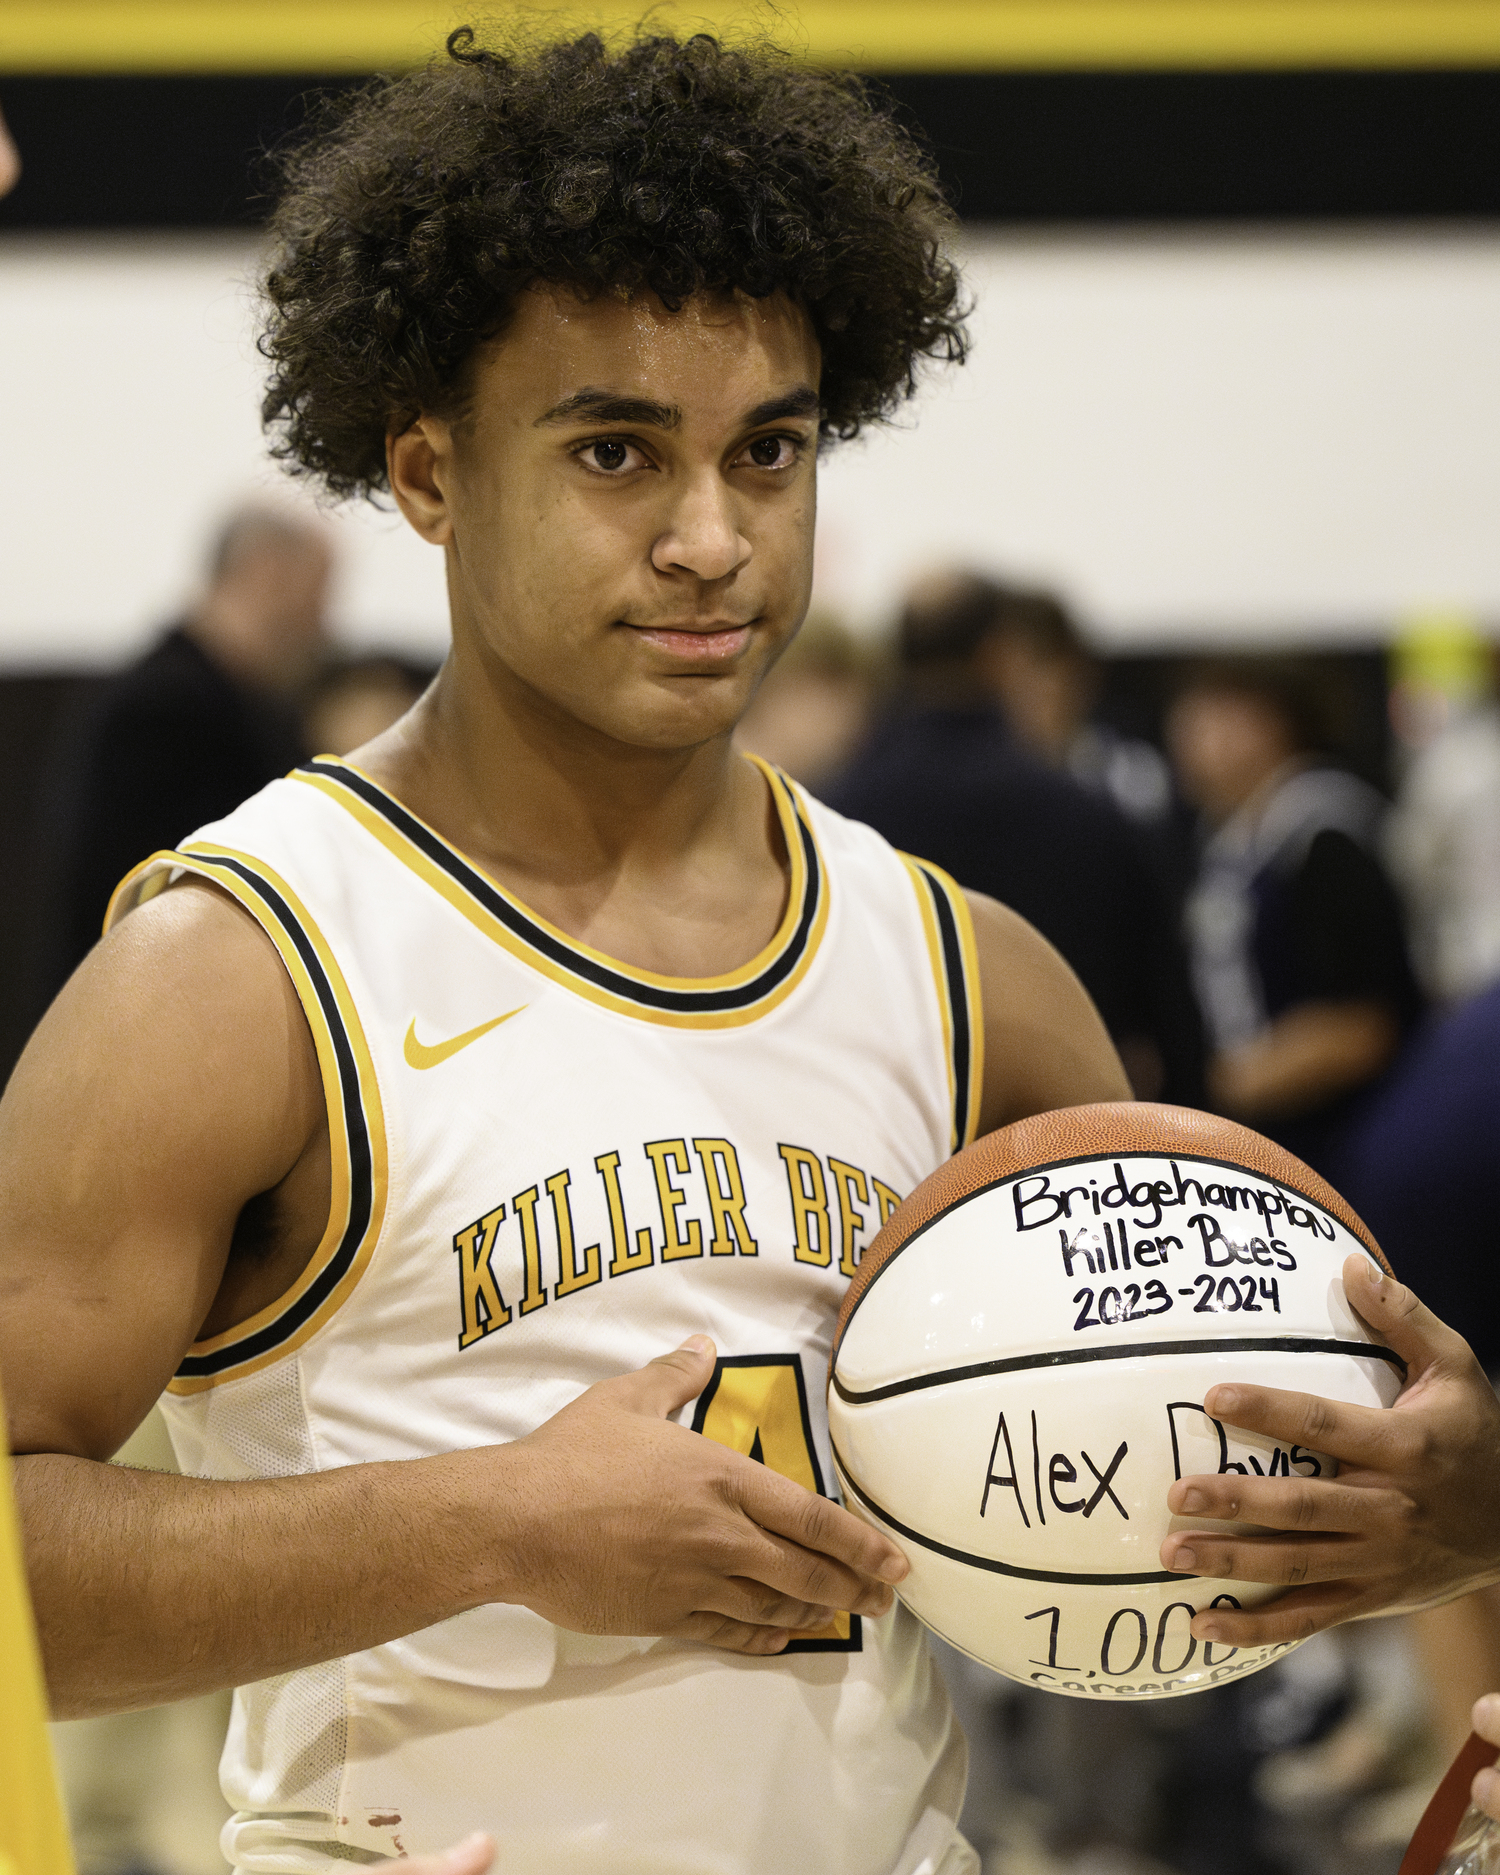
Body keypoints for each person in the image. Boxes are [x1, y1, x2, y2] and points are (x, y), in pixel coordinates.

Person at [0, 30, 1133, 1874]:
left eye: (769, 451)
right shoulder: (238, 967)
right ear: (429, 473)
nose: (713, 538)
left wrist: (1428, 1498)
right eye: (619, 449)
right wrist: (502, 1524)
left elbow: (1162, 1488)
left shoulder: (969, 974)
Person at [829, 568, 1205, 1104]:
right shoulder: (1093, 819)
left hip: (886, 1136)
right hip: (1067, 1147)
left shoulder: (832, 819)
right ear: (1000, 657)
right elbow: (1174, 1032)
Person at [35, 503, 332, 999]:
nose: (324, 623)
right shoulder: (170, 708)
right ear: (267, 573)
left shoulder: (205, 698)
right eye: (319, 592)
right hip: (138, 1013)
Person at [1166, 656, 1422, 1176]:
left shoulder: (1325, 834)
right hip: (1273, 1139)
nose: (1189, 737)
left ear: (1274, 724)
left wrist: (1217, 1091)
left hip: (1338, 1141)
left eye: (1216, 716)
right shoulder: (1230, 838)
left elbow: (1362, 1023)